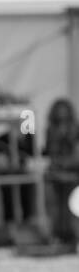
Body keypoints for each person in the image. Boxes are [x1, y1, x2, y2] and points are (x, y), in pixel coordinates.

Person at [43, 98, 79, 247]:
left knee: (72, 204)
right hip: (57, 173)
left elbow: (76, 156)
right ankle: (56, 234)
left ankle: (72, 235)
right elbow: (51, 154)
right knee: (54, 203)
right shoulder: (50, 130)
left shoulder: (76, 129)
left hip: (74, 172)